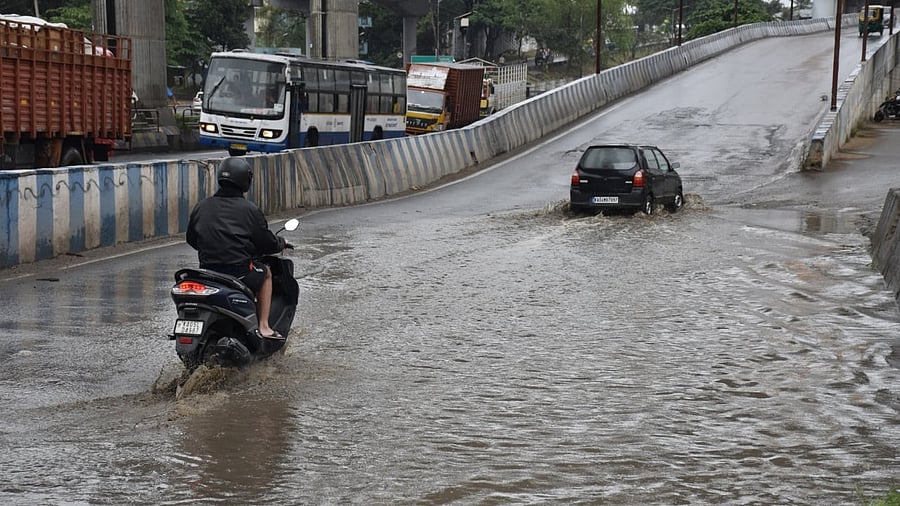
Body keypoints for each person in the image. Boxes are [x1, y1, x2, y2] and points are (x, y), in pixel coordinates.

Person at [186, 157, 288, 340]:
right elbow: (266, 242)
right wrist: (281, 242)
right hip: (238, 273)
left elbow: (192, 239)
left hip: (207, 273)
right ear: (246, 180)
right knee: (265, 272)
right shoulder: (249, 210)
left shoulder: (201, 206)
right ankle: (264, 326)